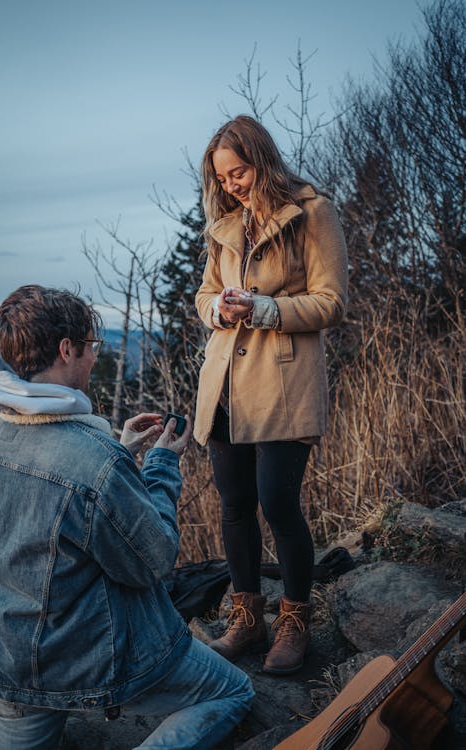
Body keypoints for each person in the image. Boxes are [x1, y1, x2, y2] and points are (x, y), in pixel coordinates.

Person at [0, 284, 253, 750]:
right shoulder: (93, 461)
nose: (94, 358)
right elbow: (153, 559)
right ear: (66, 350)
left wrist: (118, 454)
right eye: (91, 347)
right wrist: (159, 465)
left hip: (8, 660)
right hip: (93, 662)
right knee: (232, 691)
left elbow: (44, 506)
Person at [194, 115, 348, 675]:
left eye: (240, 171)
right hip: (225, 384)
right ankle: (246, 616)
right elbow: (205, 292)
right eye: (224, 177)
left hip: (284, 383)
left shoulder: (314, 211)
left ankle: (294, 620)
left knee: (278, 502)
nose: (233, 184)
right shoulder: (227, 226)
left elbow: (332, 302)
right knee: (234, 506)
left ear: (263, 157)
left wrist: (263, 310)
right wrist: (217, 308)